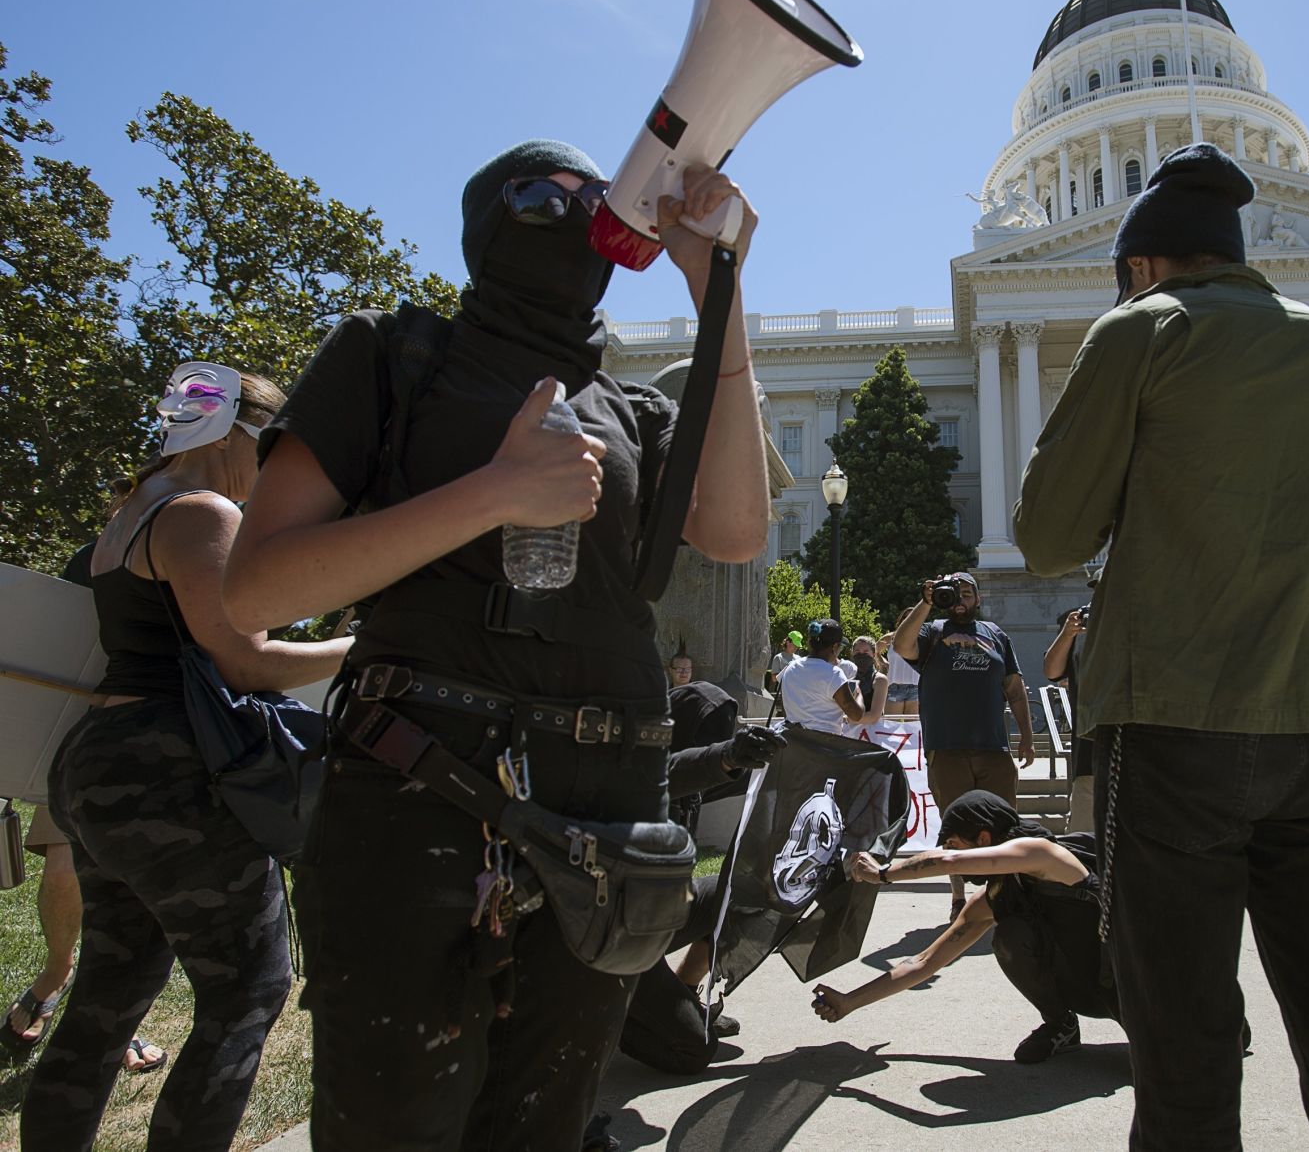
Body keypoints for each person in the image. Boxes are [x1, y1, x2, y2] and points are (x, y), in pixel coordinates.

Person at [221, 143, 769, 1149]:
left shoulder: (634, 408)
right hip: (419, 791)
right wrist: (494, 496)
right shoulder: (394, 353)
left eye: (590, 197)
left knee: (543, 1127)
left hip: (605, 810)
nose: (567, 210)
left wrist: (718, 288)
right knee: (396, 1121)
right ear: (482, 226)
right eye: (535, 194)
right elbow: (258, 587)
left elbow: (734, 528)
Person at [1014, 144, 1309, 1150]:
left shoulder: (1141, 331)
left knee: (1187, 1050)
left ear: (1142, 265)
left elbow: (1047, 535)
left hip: (1168, 734)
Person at [22, 363, 351, 1150]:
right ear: (241, 432)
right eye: (271, 449)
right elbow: (245, 660)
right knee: (248, 990)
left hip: (96, 767)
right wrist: (359, 649)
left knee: (108, 990)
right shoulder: (201, 511)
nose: (273, 472)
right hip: (172, 770)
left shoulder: (127, 515)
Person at [2, 542, 166, 1076]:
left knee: (123, 887)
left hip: (151, 740)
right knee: (67, 866)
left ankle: (106, 1009)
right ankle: (57, 973)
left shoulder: (203, 538)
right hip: (83, 732)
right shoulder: (97, 553)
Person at [810, 790, 1119, 1064]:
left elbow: (951, 861)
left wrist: (883, 873)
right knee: (1011, 934)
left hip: (1135, 984)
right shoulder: (1000, 896)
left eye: (952, 842)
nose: (948, 850)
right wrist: (848, 1001)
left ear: (983, 840)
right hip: (1090, 990)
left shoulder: (1043, 853)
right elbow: (924, 962)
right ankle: (1060, 1025)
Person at [619, 681, 784, 1076]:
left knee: (742, 893)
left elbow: (729, 776)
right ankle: (610, 1017)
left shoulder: (693, 777)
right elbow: (672, 774)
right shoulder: (631, 774)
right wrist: (722, 756)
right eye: (710, 737)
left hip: (663, 913)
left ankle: (682, 991)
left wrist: (783, 757)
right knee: (692, 1050)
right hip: (619, 934)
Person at [893, 573, 1034, 921]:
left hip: (993, 748)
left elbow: (1014, 689)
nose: (960, 600)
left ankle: (1002, 896)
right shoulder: (933, 631)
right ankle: (958, 898)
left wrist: (1027, 736)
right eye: (953, 594)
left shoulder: (997, 635)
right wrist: (925, 602)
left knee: (1005, 823)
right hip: (947, 748)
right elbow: (901, 645)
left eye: (967, 594)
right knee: (953, 826)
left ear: (978, 599)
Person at [1042, 592, 1095, 833]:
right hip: (1089, 760)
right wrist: (1067, 633)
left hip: (1138, 759)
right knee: (1085, 842)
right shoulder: (1078, 634)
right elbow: (1052, 671)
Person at [779, 619, 887, 735]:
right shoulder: (834, 674)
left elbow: (784, 704)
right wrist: (858, 694)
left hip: (792, 740)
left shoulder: (790, 668)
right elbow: (856, 715)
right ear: (835, 646)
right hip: (824, 745)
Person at [880, 631, 920, 714]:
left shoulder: (922, 638)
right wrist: (883, 663)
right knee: (891, 725)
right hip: (895, 687)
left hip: (916, 688)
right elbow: (875, 650)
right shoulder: (891, 637)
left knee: (912, 726)